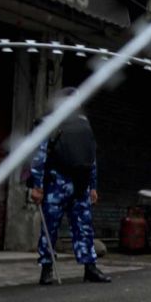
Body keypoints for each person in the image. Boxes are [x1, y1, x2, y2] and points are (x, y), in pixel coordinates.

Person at [30, 87, 111, 285]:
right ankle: (47, 269)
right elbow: (39, 157)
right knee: (50, 228)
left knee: (84, 227)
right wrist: (37, 186)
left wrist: (92, 186)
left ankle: (90, 268)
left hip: (80, 185)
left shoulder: (84, 125)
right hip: (56, 183)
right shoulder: (49, 123)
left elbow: (90, 157)